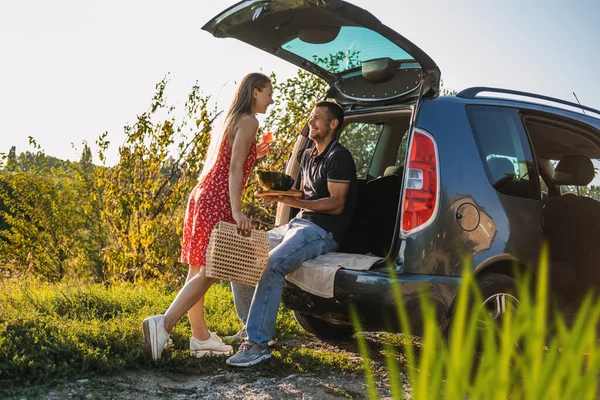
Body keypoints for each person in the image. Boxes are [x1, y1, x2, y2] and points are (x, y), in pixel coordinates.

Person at [142, 72, 273, 360]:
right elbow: (234, 168)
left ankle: (200, 337)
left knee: (198, 269)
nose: (271, 100)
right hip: (219, 199)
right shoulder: (250, 121)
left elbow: (231, 158)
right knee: (211, 270)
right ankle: (162, 324)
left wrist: (256, 153)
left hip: (203, 195)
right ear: (254, 92)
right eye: (268, 93)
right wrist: (237, 209)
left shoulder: (231, 119)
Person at [225, 101, 357, 367]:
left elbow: (336, 203)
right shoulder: (307, 154)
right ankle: (251, 327)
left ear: (333, 124)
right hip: (298, 225)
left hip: (322, 231)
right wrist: (277, 195)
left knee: (272, 264)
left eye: (318, 119)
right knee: (240, 252)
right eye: (311, 117)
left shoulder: (338, 157)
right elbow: (301, 194)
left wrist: (297, 204)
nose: (311, 122)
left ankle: (258, 344)